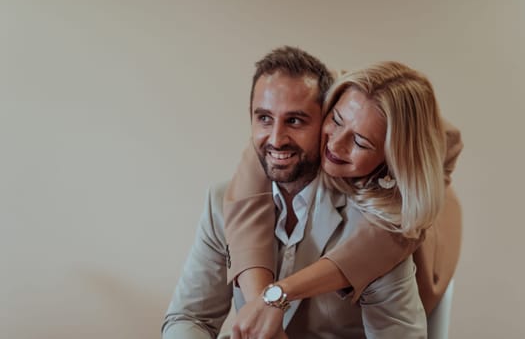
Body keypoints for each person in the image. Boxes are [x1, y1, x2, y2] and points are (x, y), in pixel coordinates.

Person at [162, 46, 428, 338]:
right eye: (263, 118)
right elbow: (188, 317)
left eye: (295, 121)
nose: (276, 139)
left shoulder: (378, 223)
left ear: (322, 117)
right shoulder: (221, 201)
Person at [224, 49, 463, 338]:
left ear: (391, 158)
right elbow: (250, 183)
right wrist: (262, 308)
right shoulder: (336, 94)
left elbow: (383, 244)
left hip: (418, 235)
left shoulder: (411, 189)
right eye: (335, 120)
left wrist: (279, 293)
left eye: (360, 142)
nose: (334, 146)